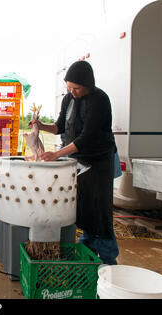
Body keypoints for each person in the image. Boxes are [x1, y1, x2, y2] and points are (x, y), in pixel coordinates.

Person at [30, 60, 119, 265]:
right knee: (84, 208)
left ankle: (108, 260)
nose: (72, 91)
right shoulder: (68, 100)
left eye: (76, 88)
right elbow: (60, 126)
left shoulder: (100, 100)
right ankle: (88, 251)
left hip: (99, 162)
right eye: (69, 87)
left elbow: (86, 138)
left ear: (89, 84)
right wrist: (40, 125)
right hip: (78, 162)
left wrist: (57, 154)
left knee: (100, 209)